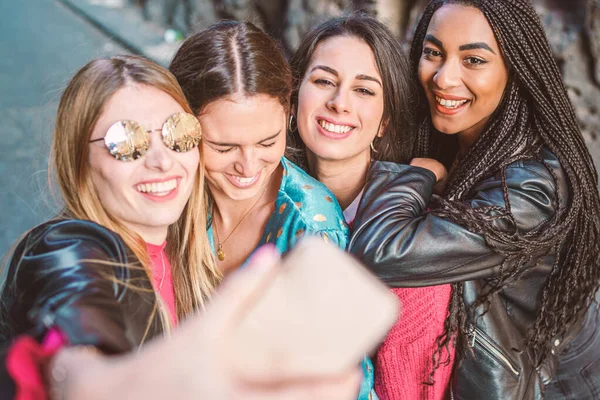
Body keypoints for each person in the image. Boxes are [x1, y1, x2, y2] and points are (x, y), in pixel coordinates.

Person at [0, 55, 361, 399]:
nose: (161, 160)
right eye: (125, 142)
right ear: (80, 159)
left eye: (179, 134)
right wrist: (90, 384)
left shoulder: (188, 243)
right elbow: (73, 314)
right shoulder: (67, 246)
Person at [348, 1, 600, 399]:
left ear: (513, 71)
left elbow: (381, 251)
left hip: (556, 382)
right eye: (433, 53)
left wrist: (419, 173)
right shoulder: (460, 138)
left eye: (474, 60)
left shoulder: (529, 190)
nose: (444, 77)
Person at [168, 20, 377, 400]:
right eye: (224, 147)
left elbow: (343, 384)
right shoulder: (169, 191)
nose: (248, 167)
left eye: (268, 141)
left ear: (288, 112)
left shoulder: (312, 227)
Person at [287, 13, 454, 400]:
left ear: (384, 123)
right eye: (324, 81)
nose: (339, 103)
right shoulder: (263, 194)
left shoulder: (414, 237)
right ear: (295, 97)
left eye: (364, 90)